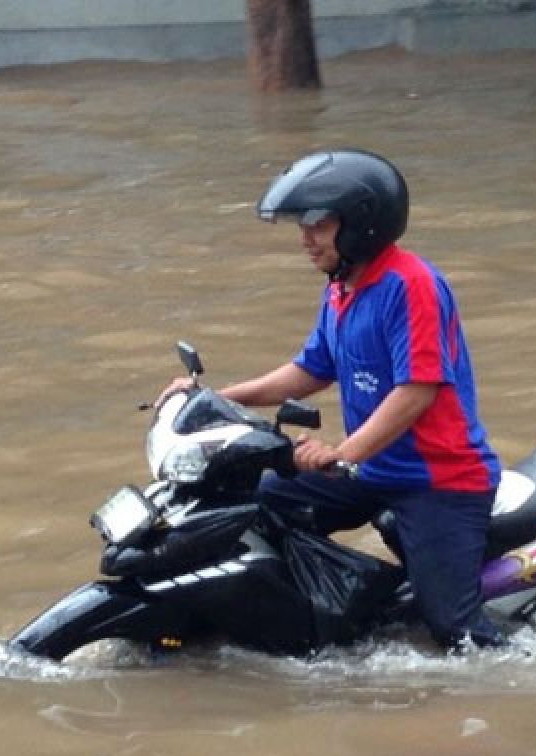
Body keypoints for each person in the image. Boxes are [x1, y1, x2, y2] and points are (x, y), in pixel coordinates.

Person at [161, 149, 504, 648]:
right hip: (369, 472)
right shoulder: (342, 289)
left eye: (318, 224)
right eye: (302, 226)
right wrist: (209, 398)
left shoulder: (410, 285)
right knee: (250, 506)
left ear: (360, 224)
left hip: (437, 481)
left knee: (456, 633)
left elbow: (417, 391)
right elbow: (307, 372)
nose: (306, 239)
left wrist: (342, 453)